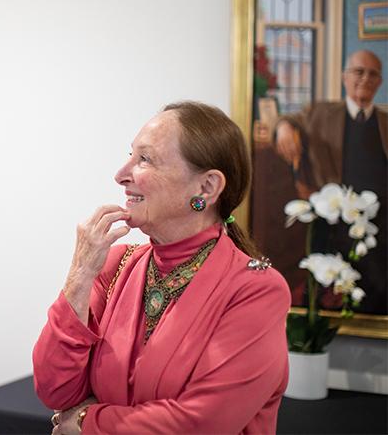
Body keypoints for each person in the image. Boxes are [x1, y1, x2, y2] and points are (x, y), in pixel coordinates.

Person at [33, 101, 290, 434]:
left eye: (144, 159)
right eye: (130, 155)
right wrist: (79, 275)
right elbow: (54, 388)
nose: (121, 174)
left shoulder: (256, 290)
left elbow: (202, 423)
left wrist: (85, 421)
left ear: (207, 187)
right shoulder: (115, 265)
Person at [274, 49, 386, 314]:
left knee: (377, 295)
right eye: (359, 71)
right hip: (332, 226)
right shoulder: (321, 113)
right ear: (344, 77)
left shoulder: (385, 122)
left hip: (381, 229)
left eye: (373, 74)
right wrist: (283, 128)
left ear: (380, 82)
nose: (365, 78)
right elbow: (288, 119)